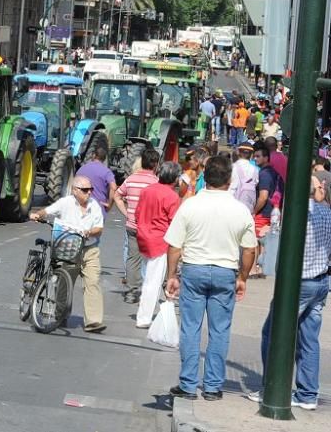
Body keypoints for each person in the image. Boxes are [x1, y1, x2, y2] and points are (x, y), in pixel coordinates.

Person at [165, 155, 258, 401]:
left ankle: (187, 383)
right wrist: (243, 277)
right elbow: (249, 249)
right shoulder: (240, 210)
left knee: (191, 328)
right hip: (224, 271)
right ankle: (213, 386)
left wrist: (171, 275)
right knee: (219, 330)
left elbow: (174, 246)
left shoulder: (190, 205)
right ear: (229, 179)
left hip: (194, 268)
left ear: (206, 176)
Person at [250, 175, 331, 410]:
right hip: (320, 281)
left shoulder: (295, 212)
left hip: (299, 283)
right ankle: (307, 394)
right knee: (309, 339)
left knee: (273, 332)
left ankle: (271, 385)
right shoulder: (326, 213)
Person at [30, 176, 106, 333]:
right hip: (68, 249)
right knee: (64, 284)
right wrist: (38, 214)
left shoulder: (94, 206)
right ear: (75, 190)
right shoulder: (66, 203)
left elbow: (99, 228)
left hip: (88, 250)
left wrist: (89, 232)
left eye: (91, 190)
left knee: (93, 282)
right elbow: (48, 211)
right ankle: (60, 315)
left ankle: (93, 321)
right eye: (85, 190)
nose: (89, 193)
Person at [134, 162, 182, 328]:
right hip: (160, 241)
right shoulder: (172, 197)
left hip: (143, 237)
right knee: (153, 281)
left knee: (149, 277)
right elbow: (176, 223)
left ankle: (145, 314)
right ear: (175, 178)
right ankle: (144, 317)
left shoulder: (147, 191)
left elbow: (138, 213)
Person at [114, 148, 161, 303]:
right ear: (155, 164)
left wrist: (127, 213)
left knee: (132, 259)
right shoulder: (156, 182)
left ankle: (131, 291)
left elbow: (117, 196)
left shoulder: (131, 179)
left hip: (132, 226)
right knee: (151, 260)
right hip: (150, 228)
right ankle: (147, 292)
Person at [252, 142, 282, 278]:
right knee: (264, 241)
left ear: (266, 157)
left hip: (263, 212)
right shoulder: (275, 172)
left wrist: (254, 211)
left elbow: (263, 196)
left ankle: (254, 268)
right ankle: (262, 268)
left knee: (255, 240)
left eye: (258, 156)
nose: (255, 159)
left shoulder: (264, 174)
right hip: (274, 210)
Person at [76, 145, 116, 214]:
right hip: (98, 209)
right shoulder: (106, 172)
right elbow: (113, 187)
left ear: (94, 155)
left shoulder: (82, 169)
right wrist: (109, 204)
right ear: (104, 158)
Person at [231, 143, 258, 212]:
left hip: (233, 206)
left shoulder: (232, 167)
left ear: (238, 152)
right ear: (252, 154)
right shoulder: (255, 170)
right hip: (249, 207)